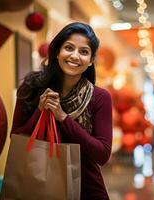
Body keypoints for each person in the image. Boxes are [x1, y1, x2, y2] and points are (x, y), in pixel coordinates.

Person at [11, 22, 113, 200]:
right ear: (57, 52)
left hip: (87, 190)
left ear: (90, 61)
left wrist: (63, 117)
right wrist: (40, 112)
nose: (75, 56)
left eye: (84, 51)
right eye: (69, 48)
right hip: (37, 187)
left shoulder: (100, 97)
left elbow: (102, 154)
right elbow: (16, 139)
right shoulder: (32, 87)